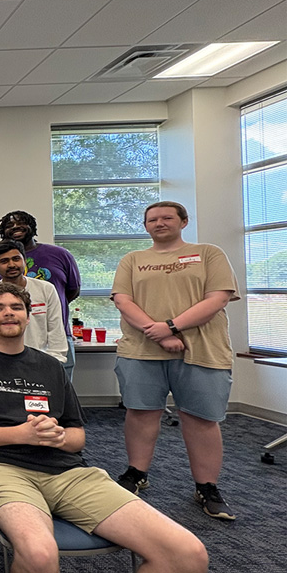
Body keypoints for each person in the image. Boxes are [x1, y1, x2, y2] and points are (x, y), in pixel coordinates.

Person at [0, 282, 208, 573]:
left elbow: (77, 438)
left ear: (28, 317)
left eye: (16, 307)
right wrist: (21, 434)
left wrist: (58, 436)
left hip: (68, 472)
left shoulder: (49, 367)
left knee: (187, 554)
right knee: (40, 555)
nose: (9, 313)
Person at [112, 201, 240, 520]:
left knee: (201, 419)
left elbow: (218, 298)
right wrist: (159, 333)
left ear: (183, 221)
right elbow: (123, 301)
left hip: (201, 350)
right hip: (141, 350)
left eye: (167, 217)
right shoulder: (132, 260)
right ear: (145, 226)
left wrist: (171, 326)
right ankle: (136, 473)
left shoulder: (208, 254)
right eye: (152, 219)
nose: (160, 223)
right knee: (140, 413)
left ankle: (207, 486)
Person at [0, 211, 81, 379]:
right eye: (9, 225)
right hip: (8, 353)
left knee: (59, 390)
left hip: (55, 339)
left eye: (21, 223)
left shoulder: (59, 257)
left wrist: (48, 307)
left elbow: (73, 290)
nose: (11, 265)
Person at [0, 241, 68, 364]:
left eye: (16, 259)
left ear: (25, 261)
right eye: (4, 261)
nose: (11, 265)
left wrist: (55, 361)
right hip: (4, 363)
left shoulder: (46, 289)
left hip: (42, 362)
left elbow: (55, 329)